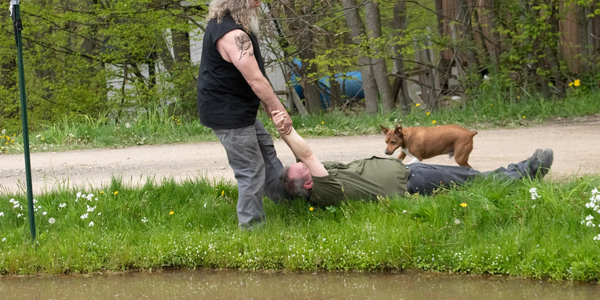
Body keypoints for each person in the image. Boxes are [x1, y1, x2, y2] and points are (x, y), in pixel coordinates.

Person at [271, 111, 554, 207]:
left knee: (468, 180)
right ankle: (526, 172)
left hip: (407, 173)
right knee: (471, 179)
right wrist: (286, 129)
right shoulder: (323, 188)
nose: (306, 163)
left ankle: (518, 172)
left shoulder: (314, 183)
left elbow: (303, 156)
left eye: (302, 164)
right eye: (303, 168)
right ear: (309, 184)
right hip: (410, 182)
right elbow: (306, 153)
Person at [196, 0, 293, 229]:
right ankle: (252, 230)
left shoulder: (225, 23)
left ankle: (288, 202)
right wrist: (280, 111)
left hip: (238, 108)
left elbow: (253, 78)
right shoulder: (233, 34)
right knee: (250, 169)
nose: (259, 3)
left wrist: (269, 108)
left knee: (266, 152)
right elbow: (255, 79)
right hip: (228, 113)